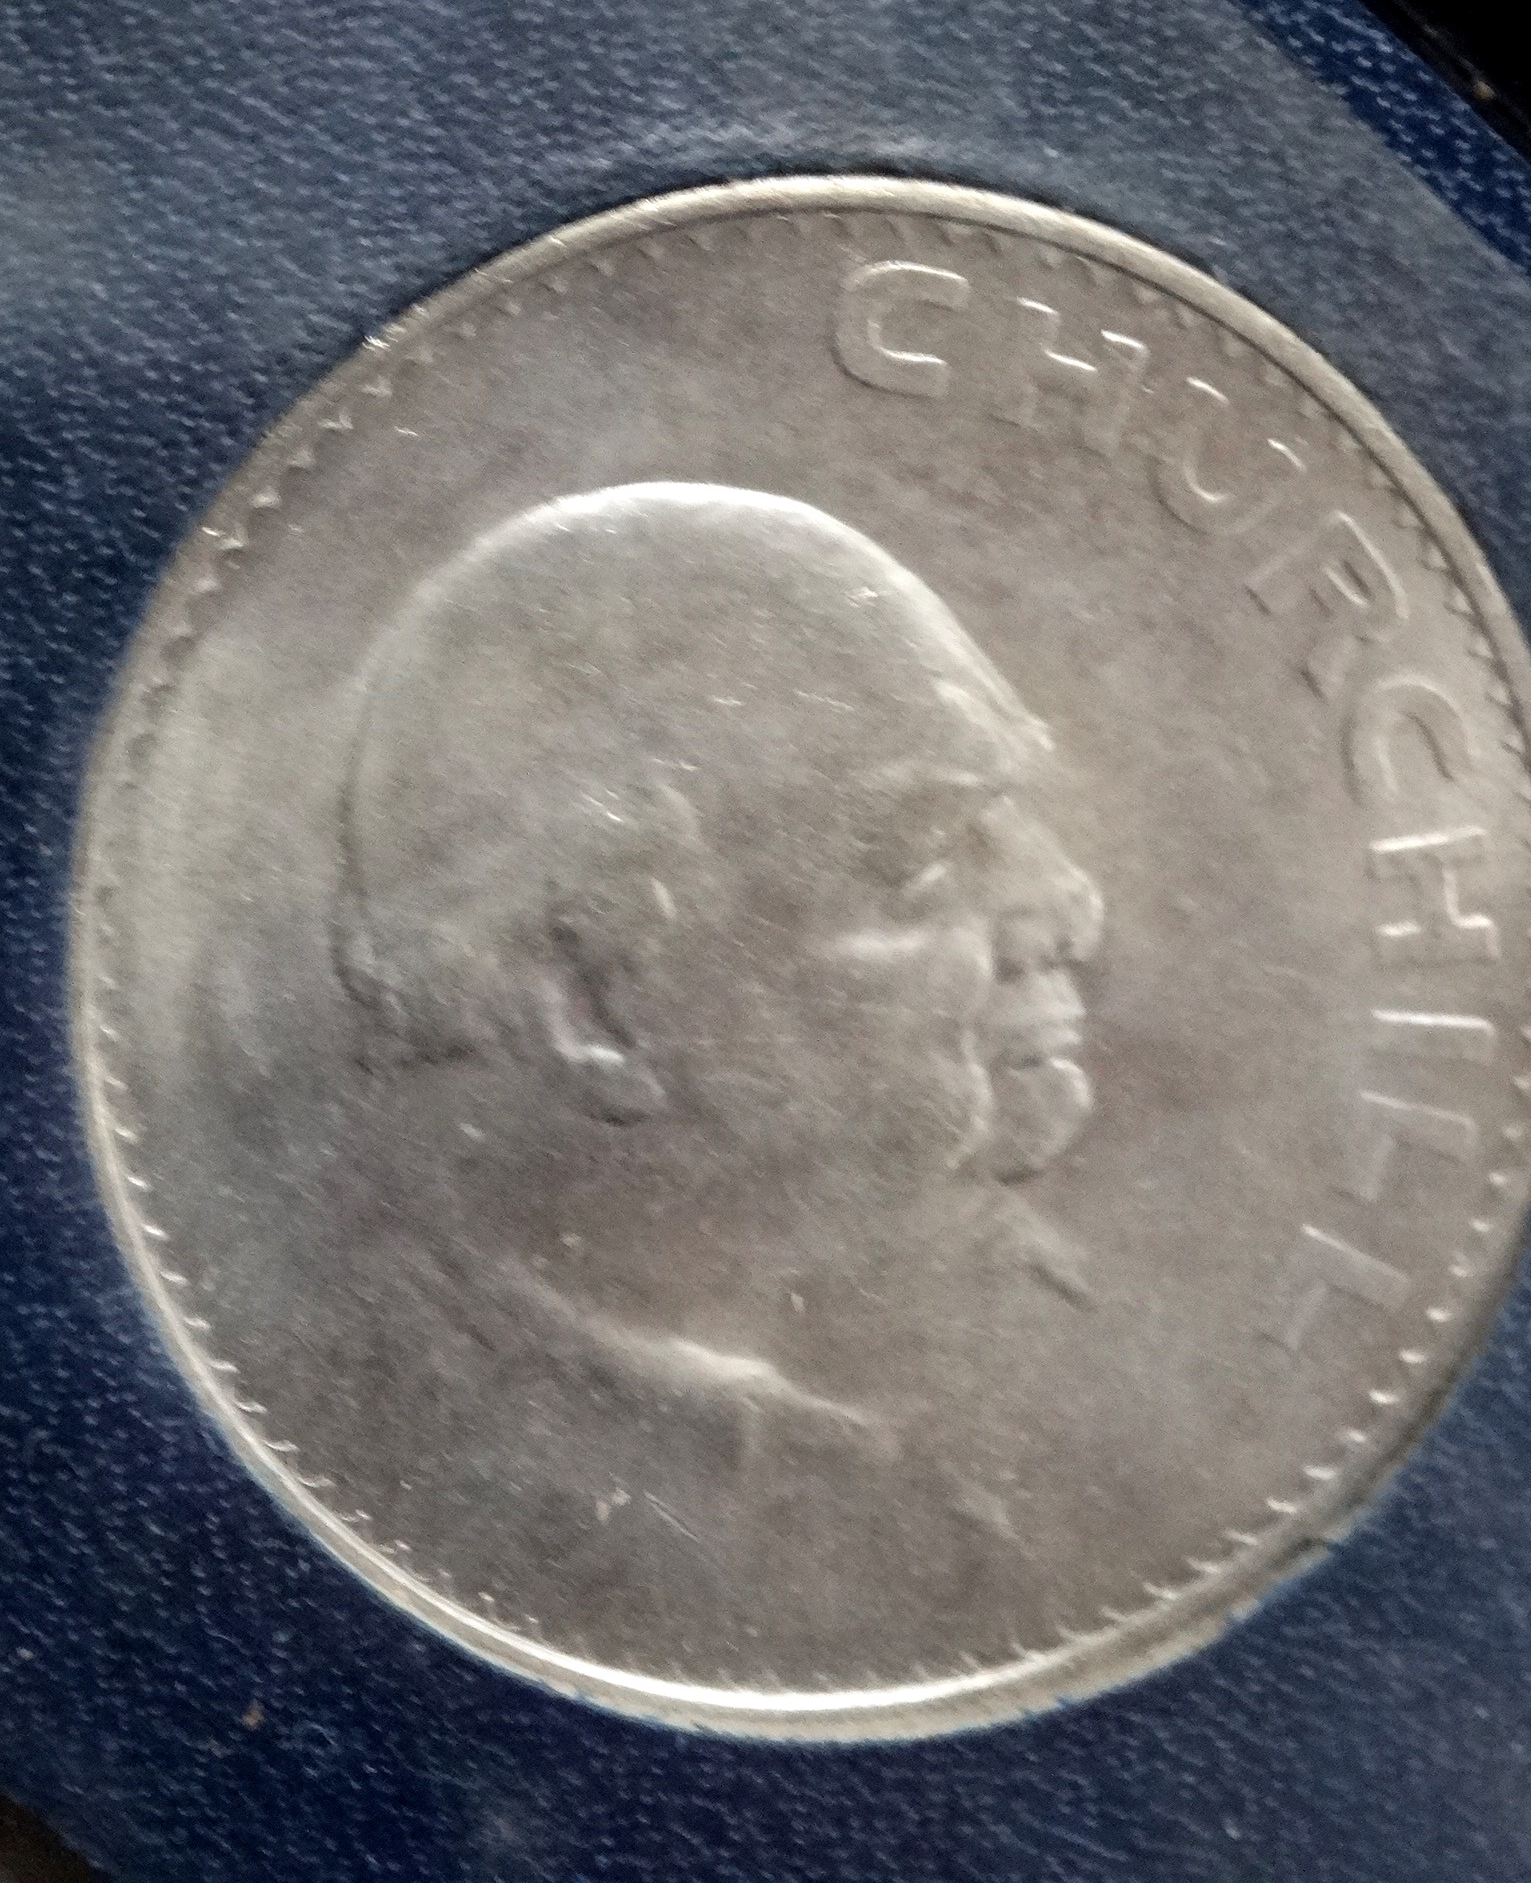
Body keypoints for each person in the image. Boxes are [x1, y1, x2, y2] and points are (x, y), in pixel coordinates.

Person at [327, 482, 1105, 1664]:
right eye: (926, 847)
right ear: (593, 1004)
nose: (1066, 903)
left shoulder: (1033, 1347)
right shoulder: (421, 1452)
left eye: (1013, 817)